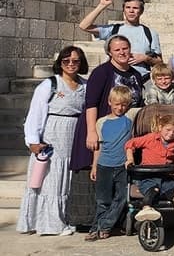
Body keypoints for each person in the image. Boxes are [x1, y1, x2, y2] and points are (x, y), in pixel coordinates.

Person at [68, 35, 144, 228]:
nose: (122, 52)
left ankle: (116, 220)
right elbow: (91, 104)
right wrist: (92, 131)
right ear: (109, 52)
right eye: (117, 49)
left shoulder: (135, 74)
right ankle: (90, 221)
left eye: (125, 48)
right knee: (95, 172)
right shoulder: (101, 73)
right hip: (100, 128)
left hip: (123, 132)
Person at [18, 47, 88, 236]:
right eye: (67, 61)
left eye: (76, 61)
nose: (71, 64)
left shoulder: (85, 85)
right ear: (60, 63)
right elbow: (35, 113)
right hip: (53, 133)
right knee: (51, 178)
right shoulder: (50, 85)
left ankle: (67, 218)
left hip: (75, 134)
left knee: (67, 178)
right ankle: (49, 224)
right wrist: (32, 140)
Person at [78, 0, 162, 81]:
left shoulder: (150, 33)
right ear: (123, 10)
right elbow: (84, 26)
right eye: (128, 7)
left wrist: (145, 58)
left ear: (141, 11)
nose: (131, 11)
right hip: (115, 79)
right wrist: (101, 6)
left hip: (142, 80)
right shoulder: (114, 29)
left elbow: (159, 62)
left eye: (135, 8)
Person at [85, 86, 133, 241]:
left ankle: (104, 226)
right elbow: (98, 147)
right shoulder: (101, 122)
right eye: (117, 104)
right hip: (104, 165)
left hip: (122, 166)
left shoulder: (129, 119)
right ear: (110, 102)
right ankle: (95, 228)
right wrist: (94, 166)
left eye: (124, 105)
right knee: (103, 200)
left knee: (122, 198)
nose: (120, 108)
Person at [125, 114, 174, 222]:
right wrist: (130, 159)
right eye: (168, 130)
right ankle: (146, 208)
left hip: (165, 176)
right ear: (160, 127)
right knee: (153, 189)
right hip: (148, 176)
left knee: (171, 189)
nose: (171, 134)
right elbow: (130, 143)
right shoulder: (150, 138)